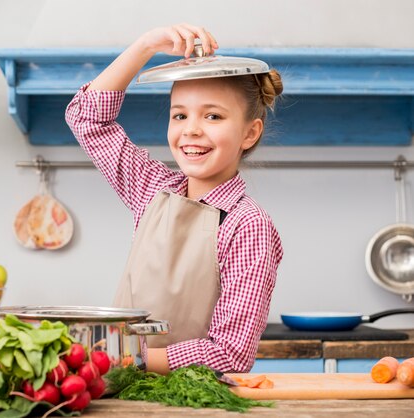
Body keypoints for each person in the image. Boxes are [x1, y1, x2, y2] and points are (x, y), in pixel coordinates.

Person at [65, 23, 284, 374]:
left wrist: (121, 359)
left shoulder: (248, 225)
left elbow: (231, 354)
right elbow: (87, 117)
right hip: (120, 392)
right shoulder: (151, 190)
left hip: (194, 402)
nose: (191, 129)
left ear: (249, 133)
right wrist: (145, 46)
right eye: (180, 114)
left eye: (212, 116)